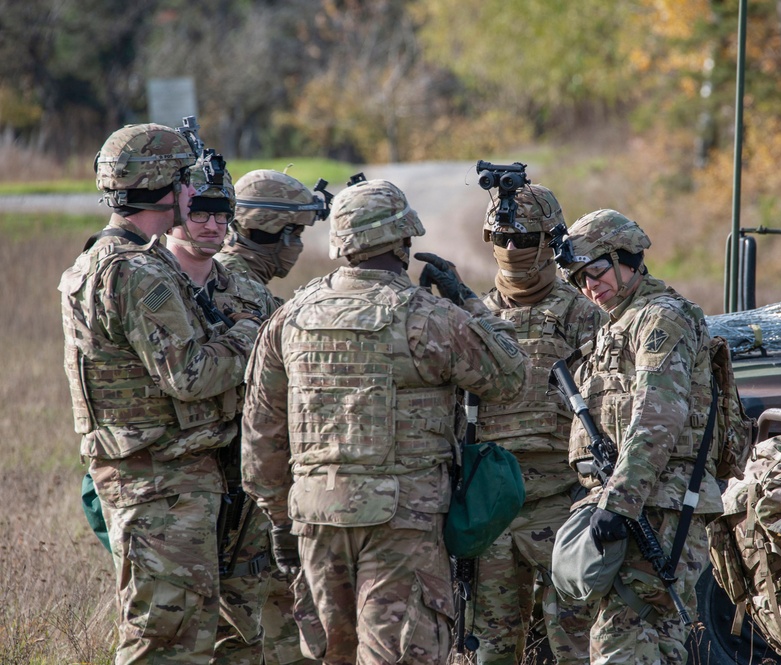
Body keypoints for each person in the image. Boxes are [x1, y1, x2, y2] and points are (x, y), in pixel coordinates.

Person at [240, 177, 530, 664]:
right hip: (403, 524)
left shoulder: (291, 318)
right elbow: (512, 375)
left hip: (316, 519)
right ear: (403, 242)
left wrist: (282, 519)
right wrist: (468, 301)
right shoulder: (427, 317)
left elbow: (261, 439)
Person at [59, 123, 262, 664]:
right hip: (160, 483)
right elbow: (190, 375)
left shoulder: (102, 259)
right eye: (186, 181)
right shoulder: (138, 273)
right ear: (165, 188)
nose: (195, 194)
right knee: (166, 642)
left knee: (183, 636)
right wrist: (251, 333)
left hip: (155, 477)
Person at [553, 210, 721, 665]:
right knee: (653, 642)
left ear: (626, 258)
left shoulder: (661, 319)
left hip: (658, 508)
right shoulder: (620, 322)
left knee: (624, 641)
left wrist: (619, 501)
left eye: (596, 271)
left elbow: (657, 416)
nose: (589, 286)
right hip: (635, 503)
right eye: (579, 279)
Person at [470, 184, 605, 664]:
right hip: (493, 506)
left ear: (551, 241)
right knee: (492, 648)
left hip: (561, 503)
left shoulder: (584, 316)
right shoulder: (476, 317)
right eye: (500, 238)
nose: (510, 250)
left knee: (575, 646)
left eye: (524, 239)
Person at [215, 167, 329, 665]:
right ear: (277, 235)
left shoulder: (209, 275)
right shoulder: (251, 298)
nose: (299, 247)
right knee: (252, 625)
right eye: (297, 234)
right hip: (244, 489)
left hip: (226, 483)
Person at [217, 169, 321, 294]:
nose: (299, 246)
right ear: (267, 227)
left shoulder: (235, 274)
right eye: (296, 235)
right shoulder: (236, 285)